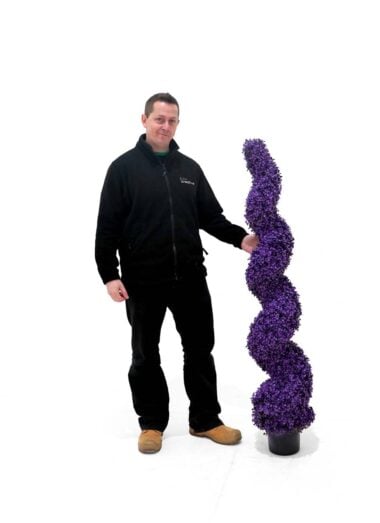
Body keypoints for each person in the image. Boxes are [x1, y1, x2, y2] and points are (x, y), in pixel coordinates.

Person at [95, 93, 258, 454]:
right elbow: (107, 227)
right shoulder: (122, 169)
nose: (165, 126)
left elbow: (211, 218)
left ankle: (205, 420)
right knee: (145, 354)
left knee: (200, 350)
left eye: (172, 120)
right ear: (144, 120)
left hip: (189, 277)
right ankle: (152, 424)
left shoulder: (189, 169)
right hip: (142, 280)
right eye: (159, 119)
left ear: (178, 124)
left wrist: (241, 239)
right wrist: (109, 274)